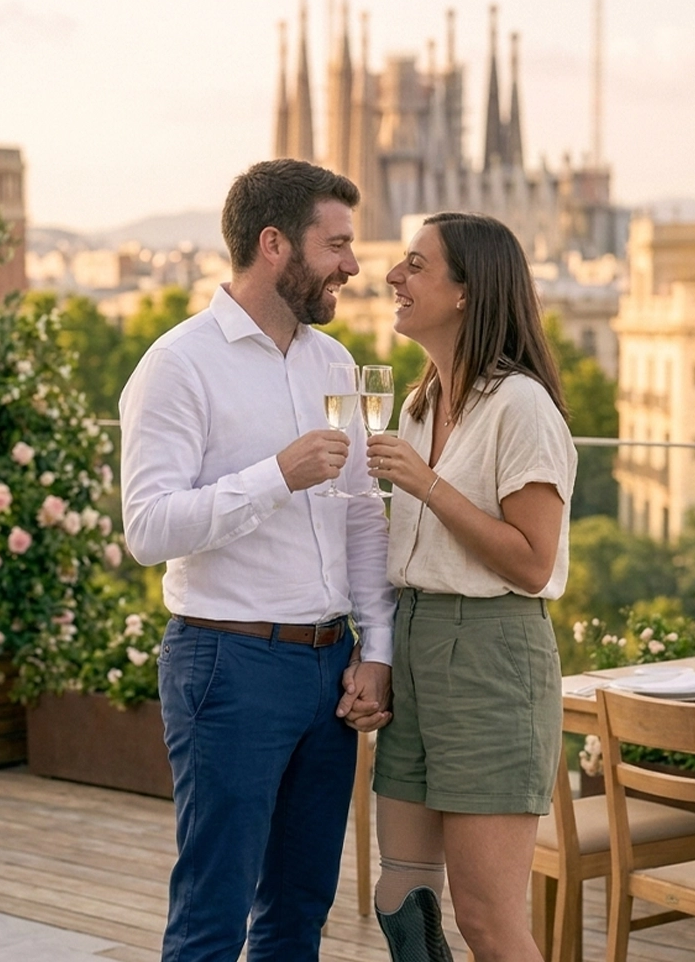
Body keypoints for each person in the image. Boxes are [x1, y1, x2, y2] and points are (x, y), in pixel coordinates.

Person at [119, 158, 396, 962]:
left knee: (298, 910)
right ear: (275, 244)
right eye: (336, 244)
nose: (352, 264)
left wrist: (374, 649)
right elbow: (147, 528)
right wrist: (276, 475)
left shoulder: (335, 363)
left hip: (329, 668)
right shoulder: (177, 365)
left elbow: (361, 520)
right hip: (228, 664)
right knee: (213, 910)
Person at [360, 212, 577, 962]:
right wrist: (380, 654)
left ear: (465, 293)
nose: (393, 277)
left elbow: (533, 563)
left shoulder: (521, 407)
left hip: (491, 658)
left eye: (415, 265)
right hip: (419, 644)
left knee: (487, 920)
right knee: (401, 898)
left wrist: (428, 486)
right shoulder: (421, 404)